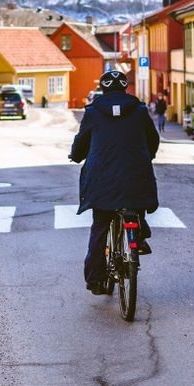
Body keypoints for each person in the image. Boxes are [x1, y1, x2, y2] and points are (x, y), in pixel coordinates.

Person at [69, 71, 160, 295]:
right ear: (125, 88)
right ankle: (138, 235)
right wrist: (148, 154)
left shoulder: (92, 113)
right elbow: (153, 138)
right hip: (135, 174)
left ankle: (96, 280)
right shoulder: (139, 111)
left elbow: (82, 141)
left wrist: (76, 155)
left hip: (101, 180)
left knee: (100, 226)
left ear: (103, 89)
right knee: (137, 202)